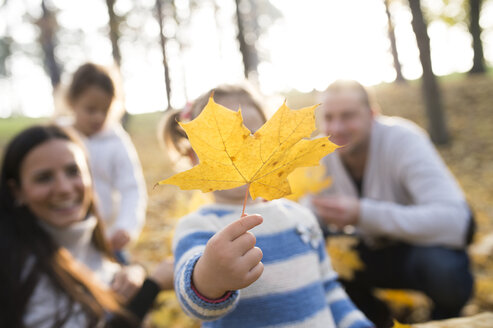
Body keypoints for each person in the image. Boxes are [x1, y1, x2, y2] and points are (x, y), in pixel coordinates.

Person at [161, 85, 374, 328]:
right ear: (192, 157)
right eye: (225, 143)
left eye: (251, 137)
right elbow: (194, 303)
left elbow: (328, 288)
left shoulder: (300, 217)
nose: (239, 154)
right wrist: (210, 276)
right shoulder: (198, 226)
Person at [311, 80, 474, 327]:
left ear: (373, 114)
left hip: (415, 251)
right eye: (329, 117)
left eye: (348, 116)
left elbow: (456, 220)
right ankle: (373, 318)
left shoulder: (404, 139)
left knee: (443, 267)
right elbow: (305, 214)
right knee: (317, 257)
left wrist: (362, 213)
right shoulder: (320, 151)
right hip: (364, 253)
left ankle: (445, 319)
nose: (336, 127)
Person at [0, 124, 173, 328]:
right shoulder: (21, 270)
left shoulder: (88, 239)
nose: (64, 188)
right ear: (16, 191)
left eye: (73, 171)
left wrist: (135, 272)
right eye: (44, 178)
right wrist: (152, 288)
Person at [65, 63, 147, 262]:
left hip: (107, 238)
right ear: (72, 102)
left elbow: (131, 188)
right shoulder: (59, 139)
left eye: (105, 110)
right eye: (91, 109)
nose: (99, 117)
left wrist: (126, 226)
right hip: (66, 239)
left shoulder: (116, 141)